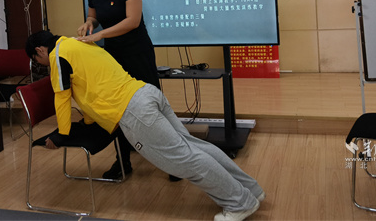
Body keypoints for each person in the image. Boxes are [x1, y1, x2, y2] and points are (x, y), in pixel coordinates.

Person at [25, 31, 265, 221]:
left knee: (184, 159)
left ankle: (239, 203)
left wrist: (62, 135)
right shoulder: (78, 43)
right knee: (192, 146)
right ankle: (250, 190)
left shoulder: (57, 56)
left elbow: (62, 97)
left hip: (134, 112)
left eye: (38, 61)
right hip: (145, 93)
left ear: (40, 50)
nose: (43, 64)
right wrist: (87, 122)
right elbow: (89, 88)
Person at [77, 0, 160, 179]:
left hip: (138, 53)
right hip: (114, 58)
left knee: (152, 106)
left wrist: (99, 35)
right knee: (119, 108)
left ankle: (171, 161)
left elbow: (132, 21)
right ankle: (123, 162)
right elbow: (94, 16)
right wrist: (89, 24)